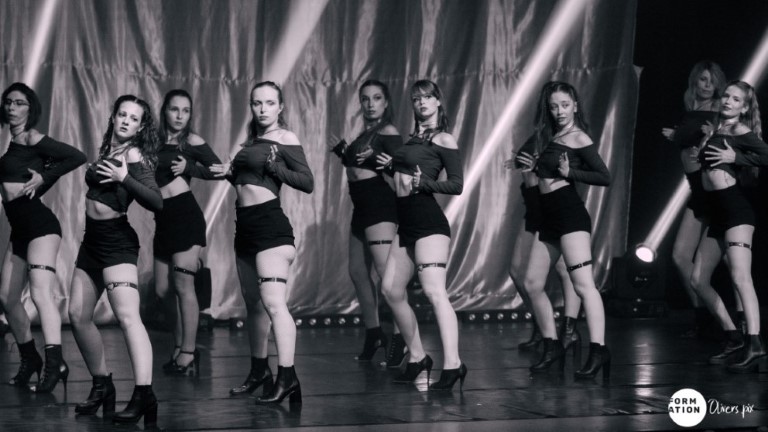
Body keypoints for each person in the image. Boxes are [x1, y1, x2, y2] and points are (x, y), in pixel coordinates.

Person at [211, 81, 313, 404]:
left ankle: (288, 376)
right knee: (253, 304)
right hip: (245, 229)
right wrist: (229, 173)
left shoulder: (285, 138)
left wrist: (275, 166)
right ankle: (259, 372)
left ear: (280, 107)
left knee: (273, 303)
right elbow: (247, 183)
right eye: (257, 103)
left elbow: (307, 182)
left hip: (270, 227)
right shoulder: (250, 142)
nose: (263, 108)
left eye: (270, 103)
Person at [68, 95, 163, 426]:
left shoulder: (133, 155)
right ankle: (102, 385)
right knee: (77, 315)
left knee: (127, 317)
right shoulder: (109, 148)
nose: (125, 121)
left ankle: (144, 394)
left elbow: (156, 201)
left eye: (133, 118)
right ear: (113, 117)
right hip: (92, 242)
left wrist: (125, 179)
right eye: (122, 114)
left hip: (117, 243)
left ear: (140, 127)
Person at [514, 81, 611, 379]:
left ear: (575, 106)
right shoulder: (552, 136)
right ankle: (552, 345)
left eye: (565, 105)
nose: (560, 111)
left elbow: (604, 176)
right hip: (549, 217)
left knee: (584, 285)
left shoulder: (579, 137)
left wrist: (572, 173)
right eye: (554, 106)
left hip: (569, 215)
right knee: (532, 283)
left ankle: (599, 350)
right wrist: (533, 166)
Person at [377, 79, 466, 391]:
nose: (422, 103)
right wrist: (391, 167)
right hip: (406, 222)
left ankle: (453, 364)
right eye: (416, 99)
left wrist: (425, 184)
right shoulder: (414, 138)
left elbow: (456, 184)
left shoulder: (443, 139)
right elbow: (403, 178)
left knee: (434, 292)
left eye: (427, 97)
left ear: (438, 101)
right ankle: (417, 357)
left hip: (428, 222)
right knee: (390, 290)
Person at [0, 82, 86, 392]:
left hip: (41, 227)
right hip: (20, 230)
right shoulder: (13, 142)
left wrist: (44, 178)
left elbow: (77, 156)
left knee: (40, 293)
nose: (12, 107)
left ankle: (55, 364)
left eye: (19, 103)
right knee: (7, 299)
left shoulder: (32, 137)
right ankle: (30, 359)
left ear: (30, 108)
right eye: (8, 102)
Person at [691, 80, 768, 373]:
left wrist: (737, 157)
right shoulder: (718, 129)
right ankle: (733, 336)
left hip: (736, 211)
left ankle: (755, 343)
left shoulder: (739, 131)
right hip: (717, 214)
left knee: (740, 276)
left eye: (736, 99)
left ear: (744, 107)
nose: (728, 101)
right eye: (726, 96)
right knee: (698, 279)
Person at [331, 80, 405, 365]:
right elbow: (358, 167)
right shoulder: (367, 134)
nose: (370, 104)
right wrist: (344, 152)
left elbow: (402, 169)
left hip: (379, 206)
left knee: (388, 277)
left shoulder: (388, 131)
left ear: (386, 103)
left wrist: (375, 158)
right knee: (358, 272)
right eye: (365, 99)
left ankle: (401, 337)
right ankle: (374, 333)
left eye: (376, 98)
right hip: (361, 207)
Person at [660, 61, 737, 338]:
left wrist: (709, 138)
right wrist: (677, 136)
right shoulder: (691, 106)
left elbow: (728, 138)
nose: (707, 85)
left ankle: (741, 322)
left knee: (732, 261)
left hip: (712, 190)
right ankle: (703, 315)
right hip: (696, 189)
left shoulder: (717, 108)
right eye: (703, 79)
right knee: (681, 256)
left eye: (712, 81)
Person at [154, 89, 221, 376]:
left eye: (186, 110)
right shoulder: (153, 141)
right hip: (163, 220)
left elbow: (220, 169)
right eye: (174, 109)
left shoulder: (191, 141)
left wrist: (190, 166)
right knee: (162, 290)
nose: (180, 116)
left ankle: (189, 352)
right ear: (164, 111)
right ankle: (180, 345)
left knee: (183, 286)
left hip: (186, 217)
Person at [505, 136, 583, 368]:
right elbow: (526, 158)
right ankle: (543, 326)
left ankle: (569, 331)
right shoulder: (540, 133)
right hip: (534, 205)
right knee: (517, 271)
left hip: (553, 206)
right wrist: (521, 162)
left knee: (565, 270)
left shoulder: (568, 137)